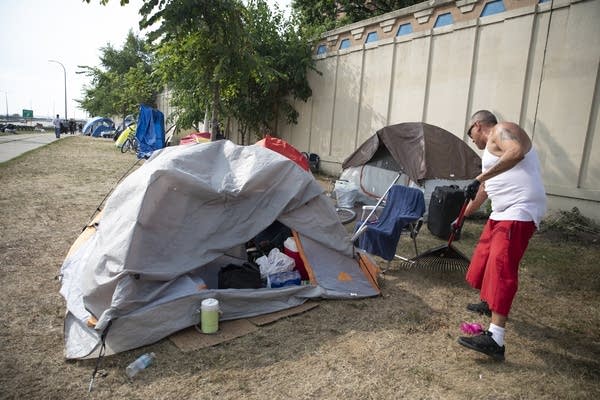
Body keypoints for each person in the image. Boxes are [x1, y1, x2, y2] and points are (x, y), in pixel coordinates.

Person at [456, 110, 546, 361]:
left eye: (469, 134)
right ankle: (489, 301)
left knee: (501, 267)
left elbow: (516, 152)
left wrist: (479, 177)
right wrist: (461, 215)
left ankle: (495, 339)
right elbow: (485, 189)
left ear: (477, 126)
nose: (471, 140)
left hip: (519, 210)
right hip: (501, 212)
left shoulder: (503, 129)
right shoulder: (489, 153)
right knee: (483, 260)